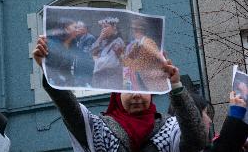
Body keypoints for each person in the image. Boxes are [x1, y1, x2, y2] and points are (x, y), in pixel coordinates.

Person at [33, 35, 207, 152]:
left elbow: (196, 139)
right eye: (128, 89)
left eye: (143, 89)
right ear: (117, 94)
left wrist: (175, 85)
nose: (136, 95)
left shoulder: (170, 130)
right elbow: (69, 108)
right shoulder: (99, 130)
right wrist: (51, 69)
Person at [123, 18, 167, 92]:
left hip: (156, 82)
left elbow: (161, 59)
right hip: (147, 81)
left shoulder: (148, 42)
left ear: (139, 29)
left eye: (132, 28)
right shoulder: (137, 44)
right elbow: (127, 62)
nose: (132, 31)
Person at [91, 17, 125, 89]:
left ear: (114, 27)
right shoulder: (103, 41)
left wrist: (96, 59)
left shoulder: (118, 41)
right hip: (100, 79)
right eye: (102, 27)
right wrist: (100, 38)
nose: (103, 29)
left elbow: (108, 63)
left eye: (106, 27)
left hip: (110, 80)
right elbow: (92, 52)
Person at [45, 18, 80, 86]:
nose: (77, 30)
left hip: (68, 80)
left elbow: (70, 66)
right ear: (66, 29)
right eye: (75, 27)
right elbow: (50, 68)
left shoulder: (74, 42)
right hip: (54, 81)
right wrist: (59, 82)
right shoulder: (52, 43)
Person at [74, 21, 96, 87]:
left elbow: (85, 53)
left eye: (78, 27)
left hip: (86, 69)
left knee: (86, 86)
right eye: (76, 27)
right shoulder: (80, 38)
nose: (76, 29)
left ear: (85, 29)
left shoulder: (90, 38)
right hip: (80, 68)